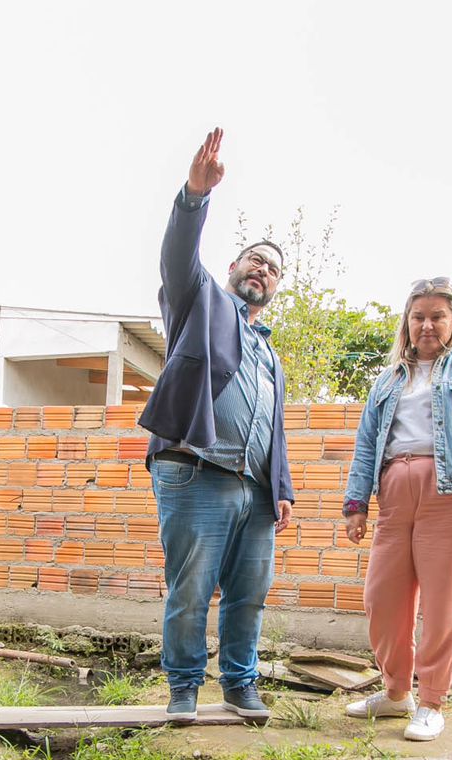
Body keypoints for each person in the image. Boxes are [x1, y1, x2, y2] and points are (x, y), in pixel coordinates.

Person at [137, 128, 295, 723]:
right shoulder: (201, 303)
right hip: (196, 473)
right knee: (191, 591)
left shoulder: (271, 354)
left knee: (249, 596)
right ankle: (182, 689)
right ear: (233, 266)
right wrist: (193, 199)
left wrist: (280, 488)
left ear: (277, 287)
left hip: (253, 491)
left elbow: (273, 430)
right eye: (256, 259)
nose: (263, 269)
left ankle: (239, 684)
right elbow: (178, 260)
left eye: (274, 268)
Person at [340, 278, 452, 740]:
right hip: (395, 495)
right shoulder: (388, 379)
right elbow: (365, 445)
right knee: (382, 599)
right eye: (419, 316)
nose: (427, 324)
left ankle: (433, 700)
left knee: (443, 604)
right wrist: (356, 504)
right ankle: (398, 695)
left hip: (451, 495)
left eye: (437, 315)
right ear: (407, 322)